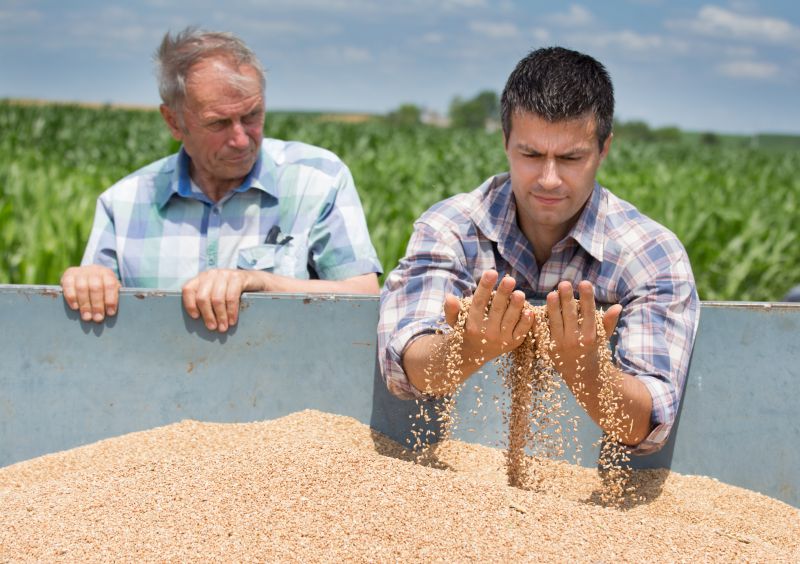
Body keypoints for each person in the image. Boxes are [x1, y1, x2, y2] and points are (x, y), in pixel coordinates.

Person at [378, 47, 699, 455]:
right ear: (505, 142)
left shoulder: (652, 255)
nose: (549, 179)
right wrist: (467, 348)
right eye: (531, 155)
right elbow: (406, 367)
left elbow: (647, 425)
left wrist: (586, 367)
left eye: (570, 158)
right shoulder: (450, 228)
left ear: (604, 149)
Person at [61, 28, 382, 332]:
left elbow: (363, 296)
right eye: (219, 124)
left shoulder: (317, 179)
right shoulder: (123, 203)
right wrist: (89, 281)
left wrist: (261, 282)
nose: (241, 139)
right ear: (174, 121)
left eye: (252, 116)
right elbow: (94, 311)